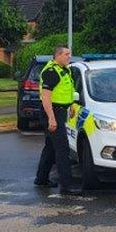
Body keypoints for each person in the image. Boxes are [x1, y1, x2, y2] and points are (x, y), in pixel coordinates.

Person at [34, 46, 82, 195]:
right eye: (66, 54)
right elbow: (46, 98)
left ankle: (41, 179)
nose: (69, 57)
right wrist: (51, 119)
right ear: (58, 55)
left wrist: (72, 105)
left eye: (70, 54)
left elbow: (68, 91)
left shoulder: (65, 70)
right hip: (52, 112)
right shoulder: (51, 72)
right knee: (62, 149)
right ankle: (67, 186)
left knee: (50, 147)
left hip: (60, 111)